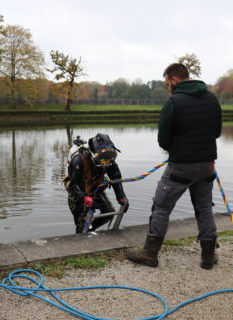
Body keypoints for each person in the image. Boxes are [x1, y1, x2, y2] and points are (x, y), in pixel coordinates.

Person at [127, 63, 222, 269]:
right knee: (205, 208)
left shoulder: (174, 102)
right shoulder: (212, 98)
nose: (168, 86)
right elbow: (216, 132)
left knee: (161, 206)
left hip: (181, 166)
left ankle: (150, 253)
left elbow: (163, 140)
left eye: (167, 82)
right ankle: (208, 257)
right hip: (207, 165)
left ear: (174, 80)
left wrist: (178, 150)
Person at [65, 133, 129, 233]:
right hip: (78, 194)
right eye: (103, 160)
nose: (106, 162)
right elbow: (73, 184)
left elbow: (116, 178)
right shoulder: (79, 160)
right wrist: (85, 198)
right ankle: (81, 239)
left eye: (108, 159)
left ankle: (92, 229)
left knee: (109, 212)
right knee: (82, 222)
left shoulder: (108, 159)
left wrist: (121, 196)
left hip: (96, 190)